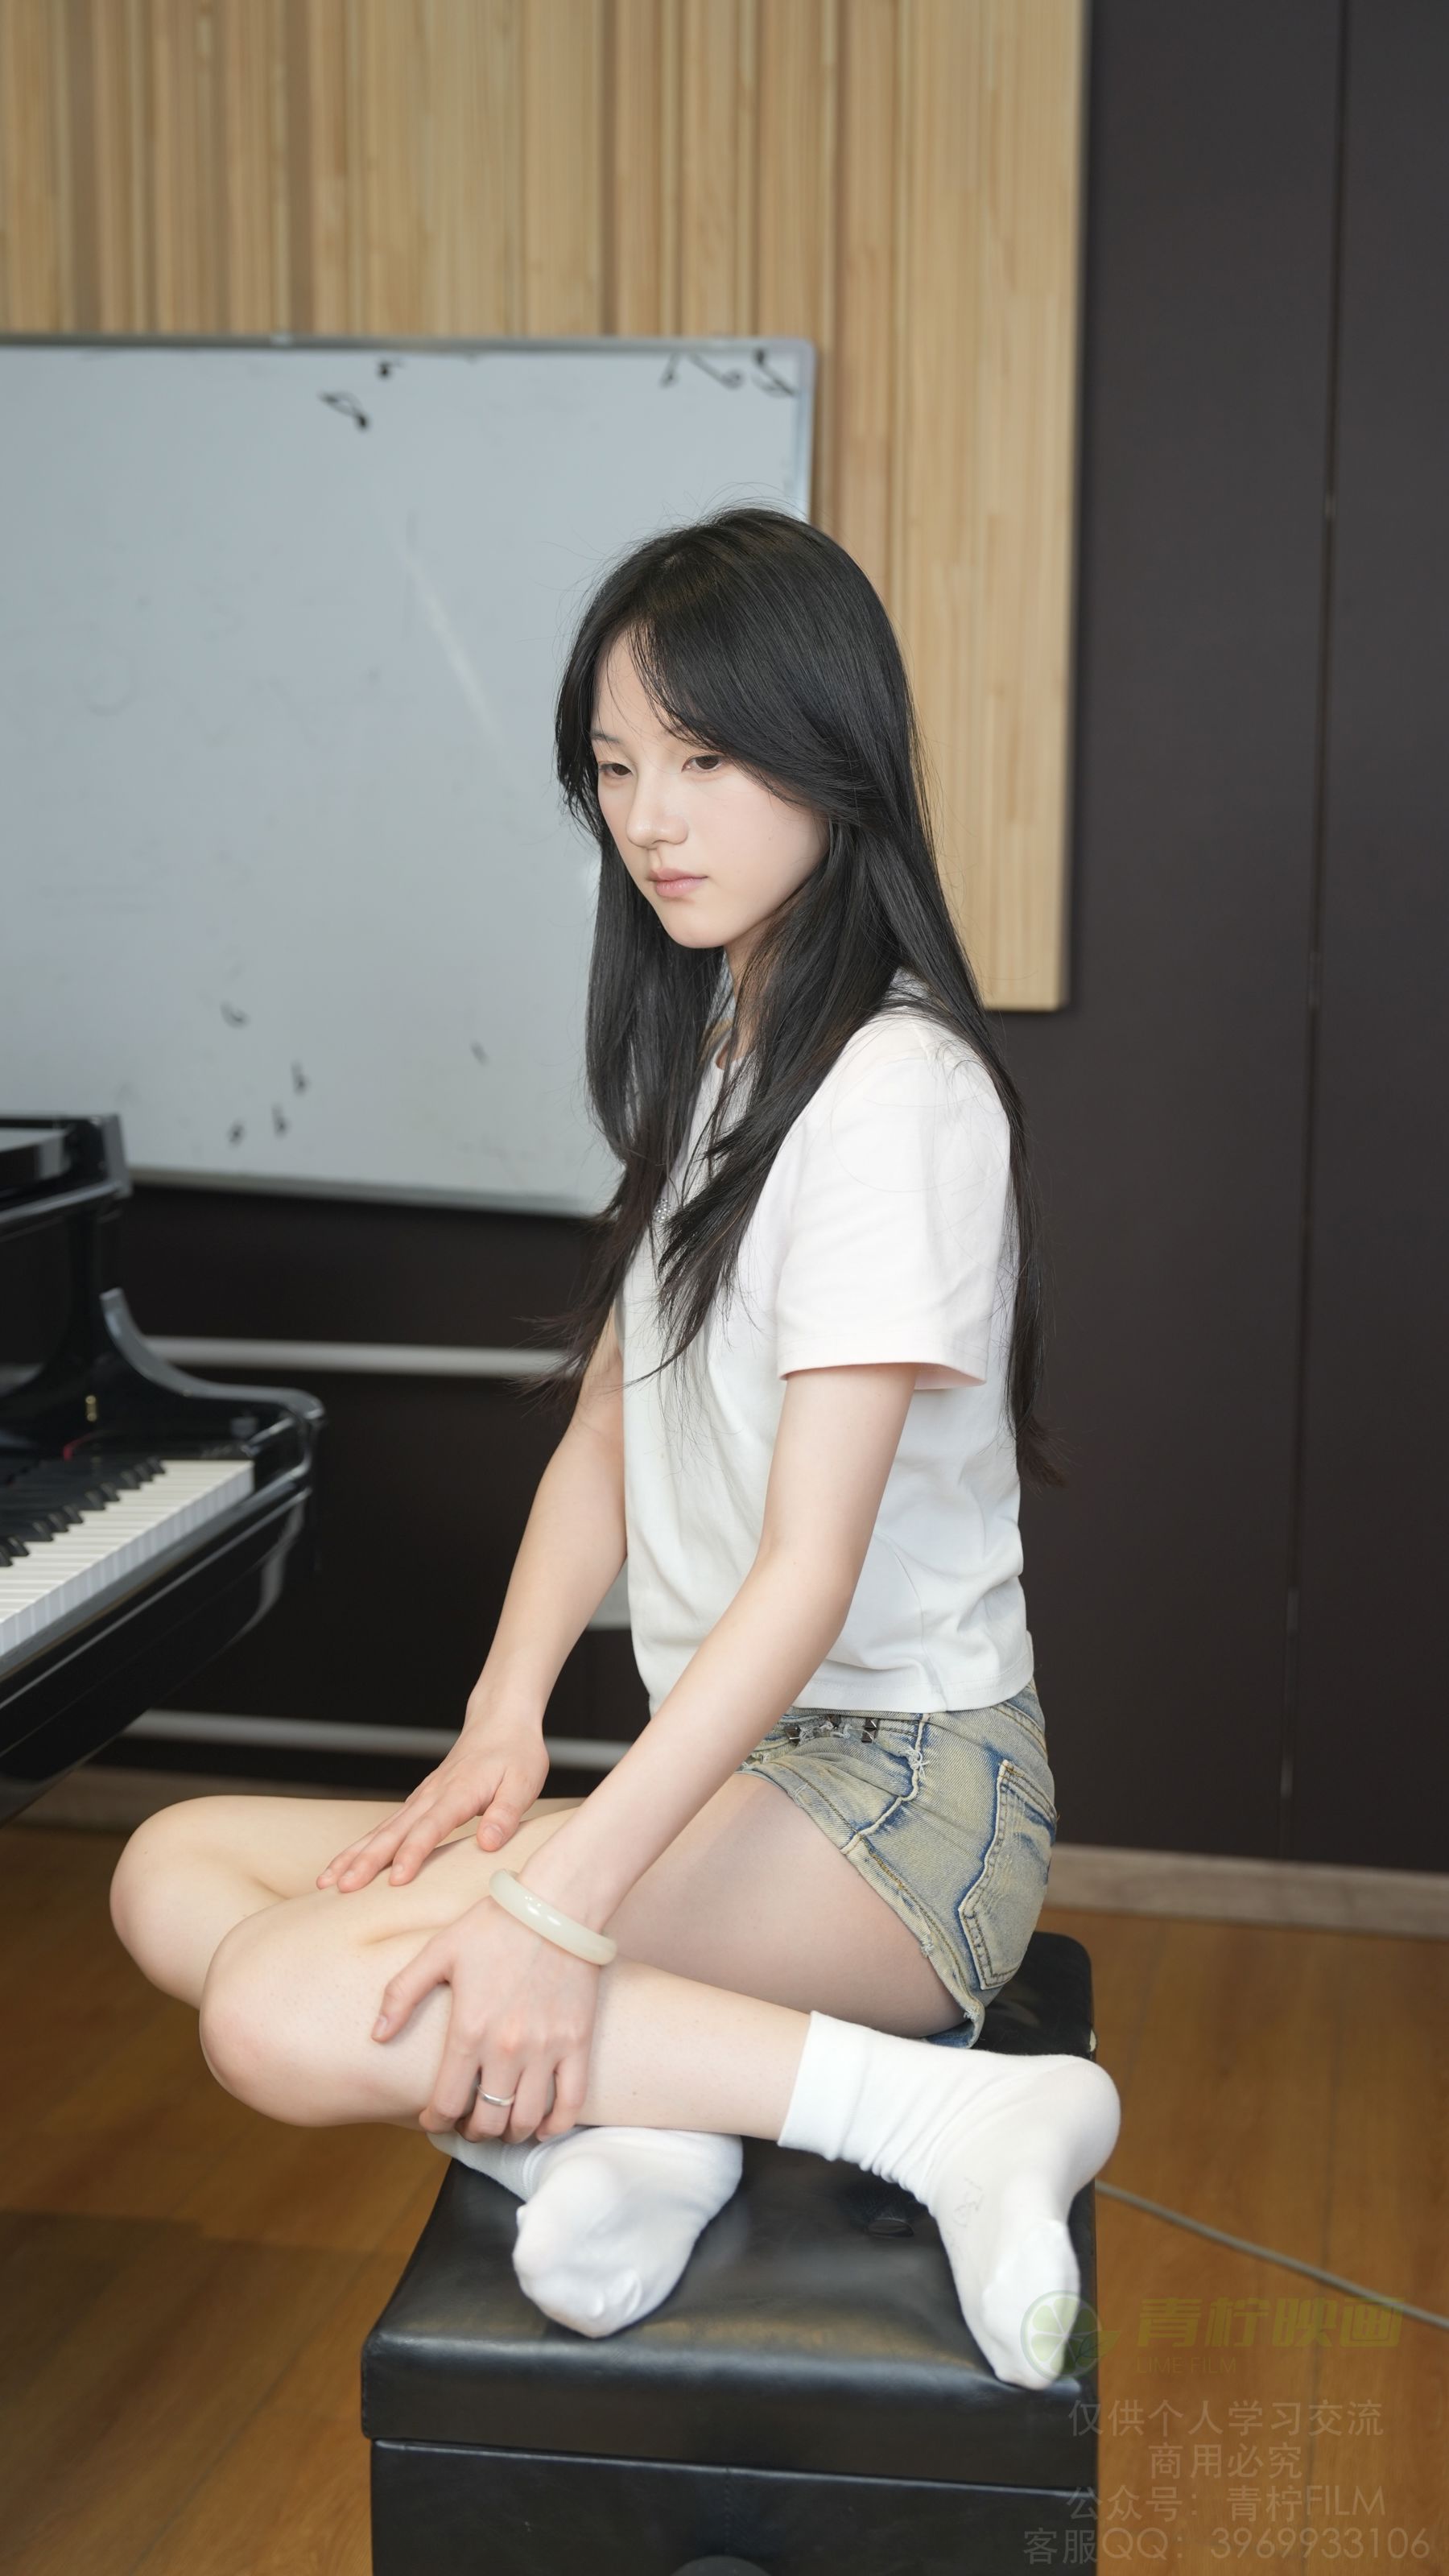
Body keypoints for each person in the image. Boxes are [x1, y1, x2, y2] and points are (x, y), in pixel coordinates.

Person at [109, 506, 1120, 2391]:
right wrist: (503, 1725)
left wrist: (556, 1904)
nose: (653, 818)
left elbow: (809, 1576)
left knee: (277, 2011)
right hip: (748, 1777)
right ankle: (638, 2118)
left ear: (831, 753)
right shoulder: (727, 1052)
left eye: (706, 759)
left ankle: (955, 2114)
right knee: (173, 1866)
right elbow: (610, 1425)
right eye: (617, 766)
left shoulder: (895, 1092)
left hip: (905, 1802)